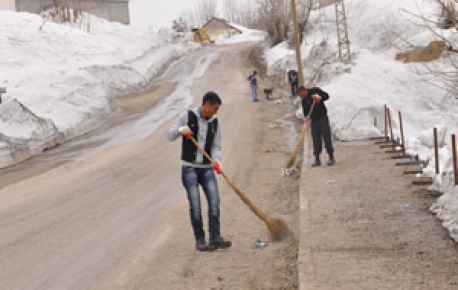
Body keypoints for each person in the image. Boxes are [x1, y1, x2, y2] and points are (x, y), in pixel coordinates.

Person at [167, 91, 232, 252]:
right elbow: (169, 135)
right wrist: (181, 130)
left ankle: (215, 236)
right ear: (207, 105)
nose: (216, 112)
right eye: (215, 108)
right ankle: (200, 239)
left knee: (214, 201)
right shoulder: (187, 117)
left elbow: (217, 145)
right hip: (189, 168)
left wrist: (217, 161)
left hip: (207, 169)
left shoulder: (214, 122)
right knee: (195, 205)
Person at [298, 86, 335, 167]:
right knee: (315, 139)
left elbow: (327, 96)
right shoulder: (304, 100)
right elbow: (306, 113)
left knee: (326, 137)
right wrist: (307, 117)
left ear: (304, 91)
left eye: (301, 94)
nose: (301, 96)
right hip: (314, 121)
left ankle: (331, 156)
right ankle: (317, 159)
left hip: (322, 118)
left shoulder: (315, 91)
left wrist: (320, 98)